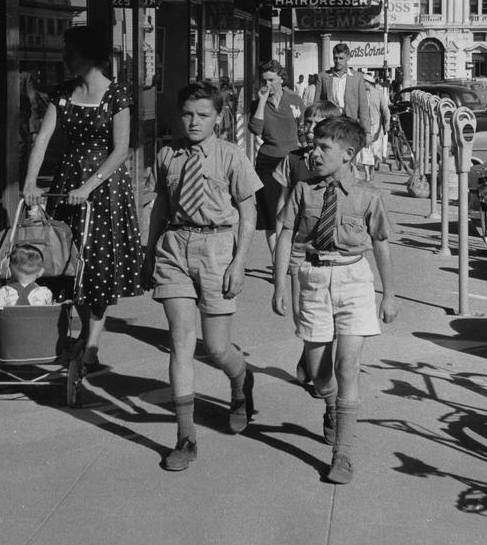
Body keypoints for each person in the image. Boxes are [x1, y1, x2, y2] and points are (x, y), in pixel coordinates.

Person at [143, 82, 262, 471]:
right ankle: (185, 437)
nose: (194, 122)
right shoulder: (167, 155)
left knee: (216, 348)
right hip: (175, 247)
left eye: (204, 115)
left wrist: (239, 261)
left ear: (219, 118)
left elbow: (248, 213)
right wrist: (149, 254)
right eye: (188, 114)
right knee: (180, 343)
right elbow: (161, 203)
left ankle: (241, 382)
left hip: (217, 249)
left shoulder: (231, 157)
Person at [273, 116, 397, 484]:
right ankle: (330, 403)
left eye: (323, 147)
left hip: (354, 279)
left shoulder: (368, 195)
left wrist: (389, 294)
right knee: (318, 372)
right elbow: (284, 236)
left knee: (348, 367)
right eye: (313, 145)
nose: (314, 153)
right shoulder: (302, 190)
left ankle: (341, 454)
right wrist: (280, 284)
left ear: (348, 154)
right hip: (312, 278)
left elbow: (381, 244)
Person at [23, 25, 144, 373]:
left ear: (88, 55)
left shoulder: (117, 94)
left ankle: (91, 347)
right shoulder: (63, 93)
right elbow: (43, 139)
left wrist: (88, 187)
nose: (64, 58)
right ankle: (66, 338)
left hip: (103, 189)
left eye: (70, 52)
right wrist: (31, 180)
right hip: (68, 181)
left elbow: (121, 151)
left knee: (97, 265)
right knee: (64, 260)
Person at [272, 100, 342, 391]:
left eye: (316, 125)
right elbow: (281, 208)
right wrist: (279, 250)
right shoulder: (293, 160)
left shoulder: (340, 162)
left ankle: (325, 379)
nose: (308, 128)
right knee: (305, 317)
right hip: (299, 251)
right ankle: (309, 355)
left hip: (332, 253)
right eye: (308, 123)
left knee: (332, 319)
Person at [248, 59, 305, 256]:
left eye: (271, 80)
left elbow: (303, 129)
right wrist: (262, 102)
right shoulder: (258, 103)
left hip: (293, 160)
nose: (267, 85)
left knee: (295, 212)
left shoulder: (295, 100)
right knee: (271, 215)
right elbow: (255, 129)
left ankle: (291, 254)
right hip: (268, 162)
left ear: (282, 78)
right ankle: (276, 261)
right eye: (264, 81)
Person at [0, 244, 52, 344]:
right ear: (41, 272)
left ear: (9, 269)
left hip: (9, 343)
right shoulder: (45, 293)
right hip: (38, 342)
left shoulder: (4, 292)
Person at [315, 43, 371, 139]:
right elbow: (317, 104)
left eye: (341, 58)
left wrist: (367, 132)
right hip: (330, 122)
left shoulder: (357, 77)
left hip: (349, 123)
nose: (337, 61)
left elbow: (363, 107)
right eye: (335, 58)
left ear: (348, 58)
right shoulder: (323, 77)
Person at [356, 73, 391, 179]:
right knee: (365, 150)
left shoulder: (379, 94)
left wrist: (387, 123)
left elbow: (385, 110)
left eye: (364, 82)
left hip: (376, 126)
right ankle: (367, 174)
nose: (362, 84)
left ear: (368, 83)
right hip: (364, 125)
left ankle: (372, 169)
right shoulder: (360, 94)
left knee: (375, 151)